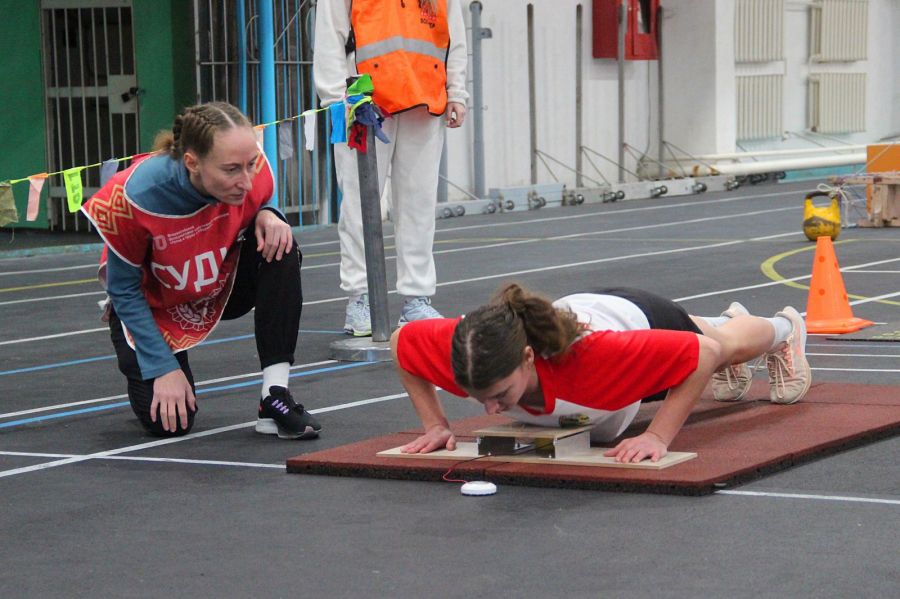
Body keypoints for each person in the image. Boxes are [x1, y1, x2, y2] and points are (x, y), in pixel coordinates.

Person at [81, 102, 320, 440]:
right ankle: (165, 361)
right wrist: (162, 366)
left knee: (281, 245)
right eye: (231, 170)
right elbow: (123, 290)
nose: (247, 182)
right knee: (170, 425)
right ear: (192, 162)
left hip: (216, 282)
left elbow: (258, 197)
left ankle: (274, 397)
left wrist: (269, 211)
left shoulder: (254, 172)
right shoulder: (131, 198)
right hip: (155, 305)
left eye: (251, 164)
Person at [390, 283, 811, 463]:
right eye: (478, 396)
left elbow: (704, 353)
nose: (490, 406)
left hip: (641, 318)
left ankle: (785, 329)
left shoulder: (596, 359)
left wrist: (657, 435)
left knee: (724, 346)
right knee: (711, 335)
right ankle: (722, 317)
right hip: (587, 312)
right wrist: (434, 423)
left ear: (529, 357)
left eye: (501, 393)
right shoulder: (469, 348)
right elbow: (401, 340)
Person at [314, 0, 469, 336]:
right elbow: (330, 34)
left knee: (418, 205)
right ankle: (360, 298)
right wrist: (335, 101)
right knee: (359, 202)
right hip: (362, 100)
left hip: (425, 98)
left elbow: (453, 36)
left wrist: (457, 91)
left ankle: (416, 299)